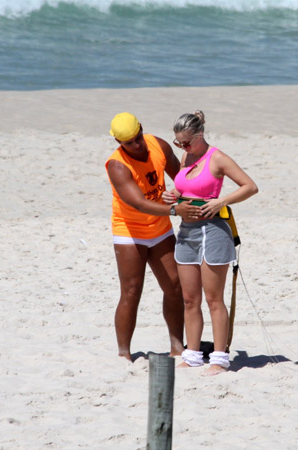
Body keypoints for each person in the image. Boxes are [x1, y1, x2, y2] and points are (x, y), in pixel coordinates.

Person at [167, 111, 258, 375]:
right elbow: (184, 190)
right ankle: (193, 354)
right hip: (187, 231)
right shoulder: (187, 156)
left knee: (213, 298)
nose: (183, 148)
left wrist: (222, 200)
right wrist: (171, 195)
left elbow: (250, 187)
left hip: (213, 230)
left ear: (199, 135)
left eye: (186, 142)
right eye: (178, 143)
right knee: (189, 298)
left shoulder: (216, 158)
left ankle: (219, 358)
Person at [105, 112, 201, 361]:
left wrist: (183, 196)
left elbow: (181, 178)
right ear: (119, 143)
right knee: (131, 290)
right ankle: (124, 353)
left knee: (174, 287)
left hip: (159, 229)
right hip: (130, 232)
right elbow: (138, 204)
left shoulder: (158, 145)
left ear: (141, 130)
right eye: (129, 143)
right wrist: (174, 209)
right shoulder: (117, 165)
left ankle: (177, 346)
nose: (136, 145)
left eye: (138, 138)